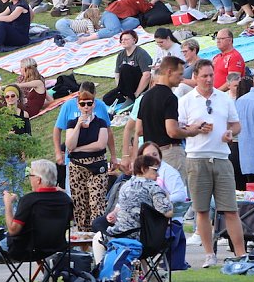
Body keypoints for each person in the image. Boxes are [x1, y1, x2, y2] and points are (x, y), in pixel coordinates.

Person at [178, 59, 245, 268]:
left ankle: (241, 254)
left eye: (211, 75)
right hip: (196, 158)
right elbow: (179, 129)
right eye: (204, 76)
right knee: (202, 210)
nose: (208, 79)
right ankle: (209, 254)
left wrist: (230, 133)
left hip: (221, 157)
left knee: (230, 209)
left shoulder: (224, 98)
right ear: (195, 77)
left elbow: (236, 125)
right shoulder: (186, 100)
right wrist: (196, 128)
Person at [133, 56, 188, 185]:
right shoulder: (170, 97)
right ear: (169, 72)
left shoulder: (145, 97)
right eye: (180, 74)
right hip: (171, 152)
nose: (181, 78)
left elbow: (139, 130)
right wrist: (190, 132)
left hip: (151, 155)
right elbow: (172, 131)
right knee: (176, 191)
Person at [1, 159, 72, 258]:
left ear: (38, 180)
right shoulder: (65, 199)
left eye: (30, 175)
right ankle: (45, 267)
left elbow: (13, 230)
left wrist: (8, 203)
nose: (29, 179)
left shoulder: (29, 200)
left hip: (27, 250)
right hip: (58, 247)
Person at [54, 81, 117, 189]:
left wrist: (113, 155)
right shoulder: (68, 106)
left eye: (90, 102)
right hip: (75, 162)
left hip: (96, 160)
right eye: (83, 102)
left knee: (96, 195)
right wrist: (58, 152)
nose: (86, 106)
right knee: (75, 195)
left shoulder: (100, 106)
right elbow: (57, 129)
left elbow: (108, 132)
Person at [64, 90, 110, 230]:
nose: (86, 107)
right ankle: (84, 235)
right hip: (77, 167)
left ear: (93, 104)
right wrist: (78, 125)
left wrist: (78, 149)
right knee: (80, 205)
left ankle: (98, 234)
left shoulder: (100, 123)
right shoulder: (72, 123)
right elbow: (69, 145)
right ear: (78, 105)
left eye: (89, 104)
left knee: (97, 203)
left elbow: (100, 145)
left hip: (97, 166)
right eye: (82, 104)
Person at [104, 154, 174, 238]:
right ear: (144, 169)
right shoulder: (153, 187)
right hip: (142, 237)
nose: (158, 174)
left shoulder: (125, 185)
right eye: (155, 170)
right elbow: (168, 213)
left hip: (118, 234)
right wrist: (168, 197)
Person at [0, 83, 32, 213]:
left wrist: (24, 152)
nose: (10, 99)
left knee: (18, 186)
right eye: (7, 96)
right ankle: (2, 213)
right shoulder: (0, 115)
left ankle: (19, 212)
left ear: (17, 97)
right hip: (4, 153)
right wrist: (6, 135)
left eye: (12, 96)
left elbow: (28, 135)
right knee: (3, 185)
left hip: (18, 154)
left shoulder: (24, 114)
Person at [103, 29, 153, 111]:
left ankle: (132, 98)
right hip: (127, 87)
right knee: (107, 98)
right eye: (122, 39)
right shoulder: (121, 55)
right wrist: (121, 88)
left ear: (134, 40)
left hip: (139, 84)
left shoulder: (141, 53)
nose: (123, 41)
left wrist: (137, 93)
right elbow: (117, 74)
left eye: (126, 39)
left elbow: (147, 75)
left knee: (125, 68)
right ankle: (126, 96)